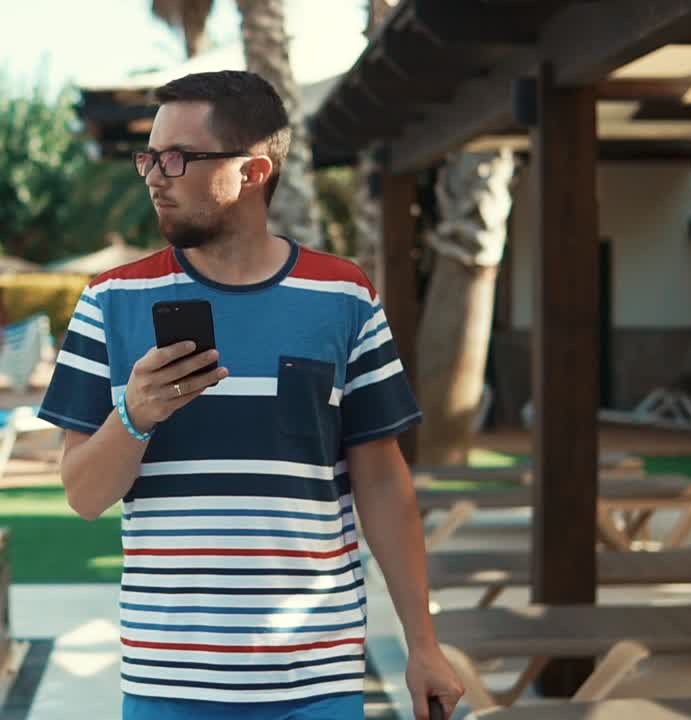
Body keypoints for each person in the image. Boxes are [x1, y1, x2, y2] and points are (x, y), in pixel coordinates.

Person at [37, 71, 463, 720]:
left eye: (177, 158)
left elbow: (382, 480)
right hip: (167, 688)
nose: (154, 175)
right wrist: (136, 414)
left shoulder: (343, 297)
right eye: (149, 157)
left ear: (254, 170)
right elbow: (83, 494)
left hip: (317, 684)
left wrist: (424, 644)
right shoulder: (108, 302)